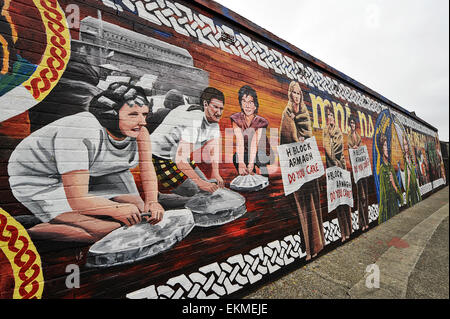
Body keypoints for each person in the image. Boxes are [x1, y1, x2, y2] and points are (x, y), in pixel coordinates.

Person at [8, 83, 164, 243]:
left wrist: (152, 202)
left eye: (144, 114)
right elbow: (78, 199)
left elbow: (147, 168)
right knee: (106, 231)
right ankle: (25, 231)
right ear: (110, 114)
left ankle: (63, 217)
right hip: (42, 178)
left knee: (140, 212)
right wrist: (115, 209)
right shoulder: (81, 131)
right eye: (133, 114)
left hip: (97, 171)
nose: (142, 122)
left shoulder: (139, 131)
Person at [149, 87, 225, 199]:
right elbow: (180, 160)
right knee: (195, 192)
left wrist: (216, 173)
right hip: (159, 156)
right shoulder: (194, 120)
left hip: (178, 155)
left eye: (221, 108)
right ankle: (158, 199)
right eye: (215, 107)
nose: (218, 112)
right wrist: (201, 183)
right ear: (205, 104)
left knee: (209, 190)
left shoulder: (213, 122)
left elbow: (214, 148)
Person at [279, 81, 325, 261]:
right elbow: (285, 139)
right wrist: (295, 140)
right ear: (290, 94)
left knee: (313, 205)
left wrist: (303, 140)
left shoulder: (305, 113)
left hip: (308, 167)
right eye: (293, 93)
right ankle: (308, 249)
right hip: (296, 170)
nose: (296, 96)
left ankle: (318, 244)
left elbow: (309, 135)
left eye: (298, 93)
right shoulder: (287, 114)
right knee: (302, 208)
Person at [323, 104, 352, 242]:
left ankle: (349, 231)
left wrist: (334, 159)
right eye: (327, 115)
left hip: (341, 170)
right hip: (332, 172)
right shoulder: (325, 131)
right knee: (337, 202)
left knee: (345, 201)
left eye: (331, 115)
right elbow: (326, 148)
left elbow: (337, 148)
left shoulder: (338, 132)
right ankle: (343, 234)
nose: (330, 118)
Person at [230, 85, 274, 177]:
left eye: (251, 102)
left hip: (263, 153)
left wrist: (251, 163)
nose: (247, 105)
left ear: (255, 105)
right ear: (241, 103)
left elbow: (254, 142)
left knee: (260, 157)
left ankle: (265, 177)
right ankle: (249, 175)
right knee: (236, 157)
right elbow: (240, 140)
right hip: (247, 152)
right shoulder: (236, 119)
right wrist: (241, 162)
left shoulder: (261, 122)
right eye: (244, 101)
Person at [348, 115, 370, 231]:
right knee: (361, 196)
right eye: (350, 123)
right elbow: (350, 152)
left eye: (353, 123)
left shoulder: (359, 136)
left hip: (363, 170)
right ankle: (362, 223)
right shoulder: (349, 137)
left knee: (365, 196)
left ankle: (366, 221)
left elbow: (362, 151)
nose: (352, 125)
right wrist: (354, 149)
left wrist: (359, 148)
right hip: (356, 171)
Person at [377, 134, 403, 223]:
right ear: (381, 149)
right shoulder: (382, 169)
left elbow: (399, 194)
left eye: (387, 145)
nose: (387, 148)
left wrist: (394, 185)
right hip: (389, 213)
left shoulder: (391, 167)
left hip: (395, 209)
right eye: (384, 146)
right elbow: (383, 196)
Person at [402, 134, 421, 207]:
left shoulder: (410, 158)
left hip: (414, 186)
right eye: (404, 145)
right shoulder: (404, 160)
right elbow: (407, 176)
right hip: (410, 188)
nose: (405, 147)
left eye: (406, 144)